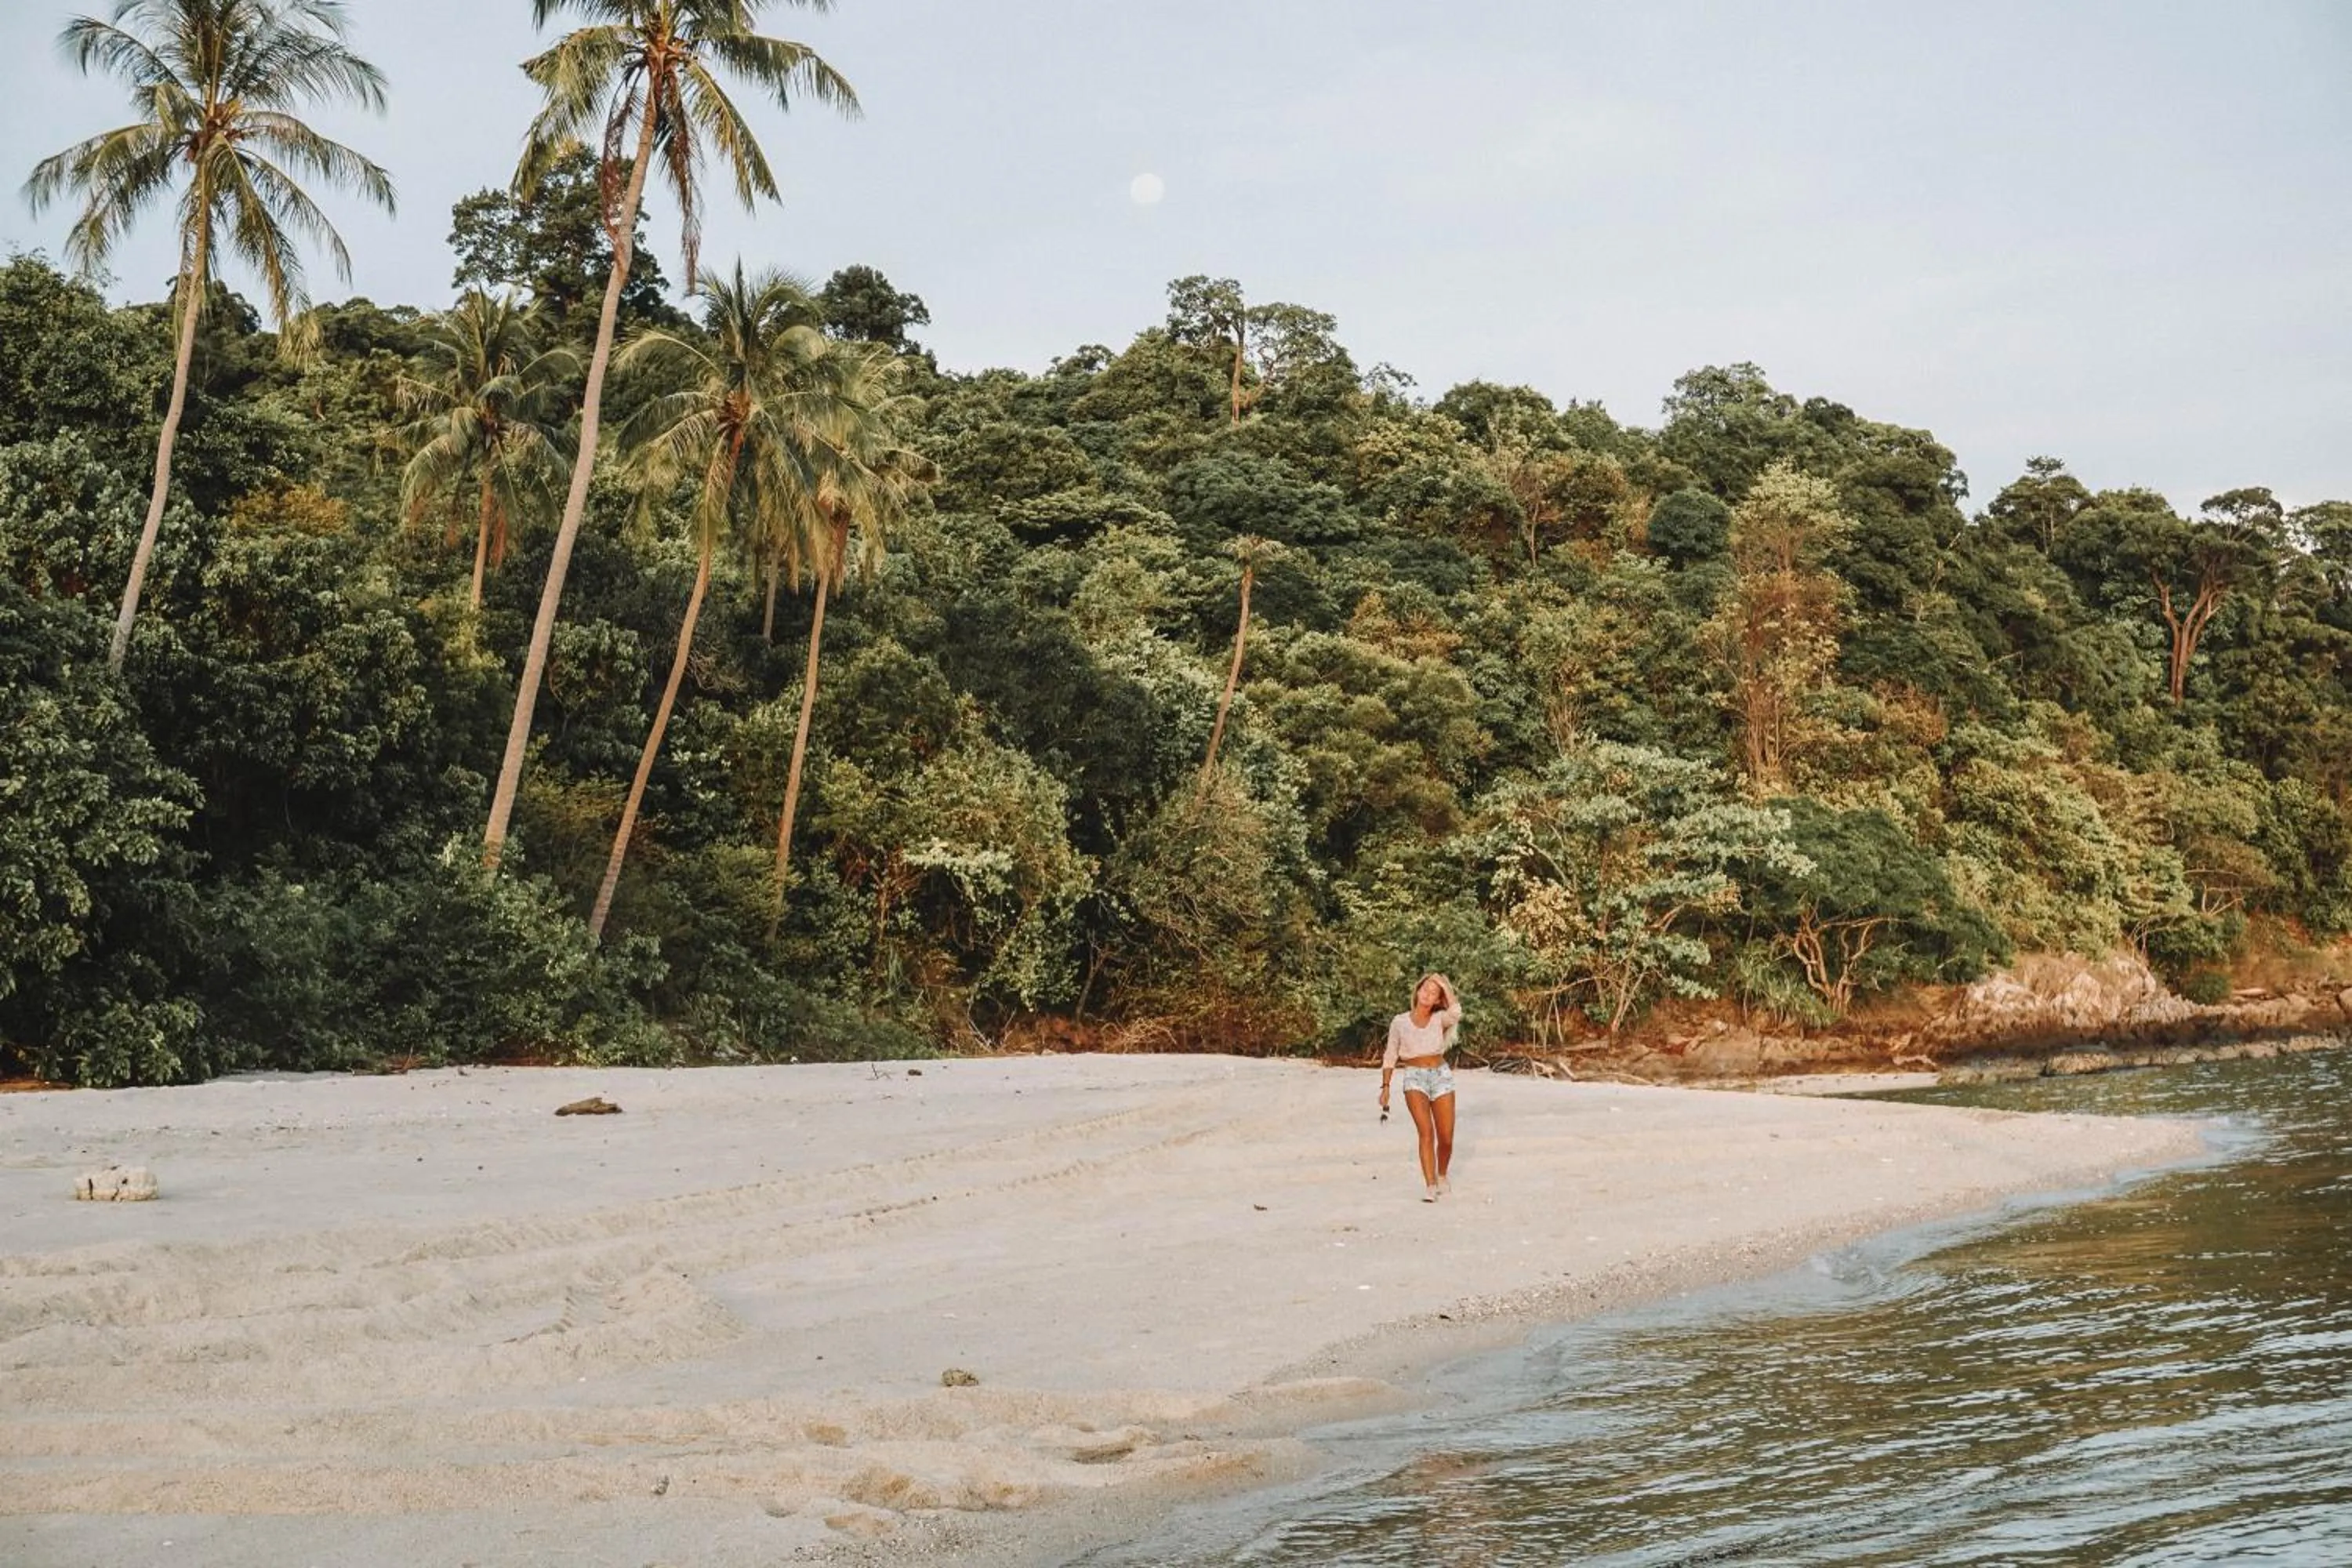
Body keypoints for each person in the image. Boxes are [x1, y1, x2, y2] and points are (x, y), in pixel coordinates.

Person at [1378, 972, 1462, 1202]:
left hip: (1441, 1076)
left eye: (1433, 992)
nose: (1427, 993)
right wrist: (1385, 1087)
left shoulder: (1439, 1019)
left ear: (1438, 999)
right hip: (1414, 1077)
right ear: (1417, 992)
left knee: (1446, 1138)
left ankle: (1442, 1174)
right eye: (1424, 988)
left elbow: (1456, 1012)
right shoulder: (1400, 1022)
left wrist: (1445, 984)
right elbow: (1390, 1055)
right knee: (1426, 1133)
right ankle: (1430, 1185)